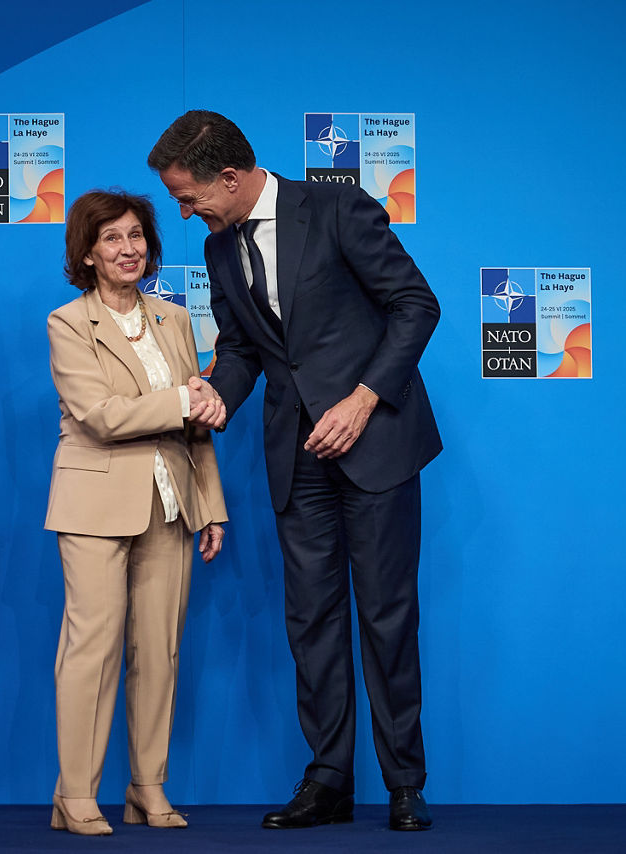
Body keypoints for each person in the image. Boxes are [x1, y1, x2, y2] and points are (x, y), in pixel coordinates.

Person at [148, 110, 441, 832]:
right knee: (311, 620)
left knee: (386, 616)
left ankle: (405, 783)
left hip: (375, 444)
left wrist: (364, 400)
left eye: (188, 197)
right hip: (295, 455)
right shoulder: (219, 249)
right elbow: (242, 350)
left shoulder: (338, 208)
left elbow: (415, 305)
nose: (184, 213)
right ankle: (328, 780)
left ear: (229, 177)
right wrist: (220, 393)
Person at [45, 189, 227, 836]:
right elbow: (100, 416)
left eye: (136, 236)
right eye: (112, 239)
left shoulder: (174, 319)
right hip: (95, 504)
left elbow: (196, 425)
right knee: (92, 651)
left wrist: (211, 506)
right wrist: (183, 399)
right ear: (87, 254)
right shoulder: (69, 322)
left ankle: (147, 786)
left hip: (171, 503)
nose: (128, 249)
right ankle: (75, 794)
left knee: (160, 650)